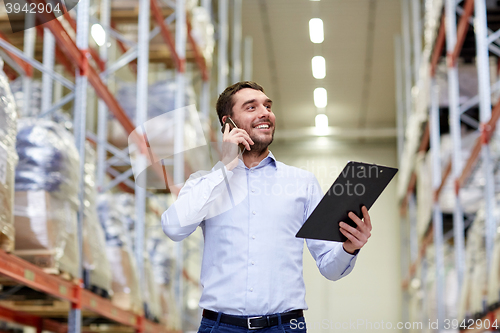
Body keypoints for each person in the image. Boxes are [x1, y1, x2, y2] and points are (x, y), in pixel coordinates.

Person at [162, 81, 372, 333]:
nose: (265, 113)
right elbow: (174, 228)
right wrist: (225, 167)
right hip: (220, 327)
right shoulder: (205, 183)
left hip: (284, 327)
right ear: (228, 123)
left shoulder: (301, 183)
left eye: (268, 106)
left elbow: (330, 268)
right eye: (251, 107)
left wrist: (350, 247)